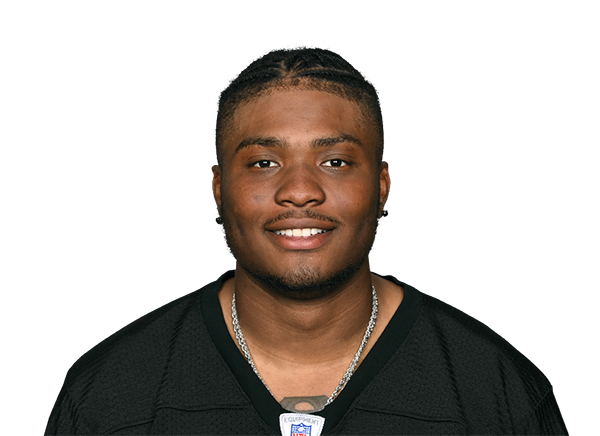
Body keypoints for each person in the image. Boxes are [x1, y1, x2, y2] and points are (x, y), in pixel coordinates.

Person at [45, 44, 566, 436]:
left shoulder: (495, 394)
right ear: (219, 188)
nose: (299, 191)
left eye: (335, 161)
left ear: (381, 188)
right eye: (264, 162)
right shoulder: (110, 399)